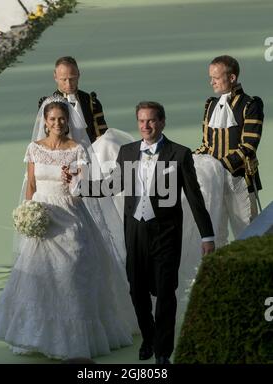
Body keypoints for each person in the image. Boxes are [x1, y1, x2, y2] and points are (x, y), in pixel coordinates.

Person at [63, 101, 215, 364]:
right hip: (135, 232)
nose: (146, 126)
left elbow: (194, 197)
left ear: (162, 122)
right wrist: (79, 186)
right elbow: (112, 185)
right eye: (141, 121)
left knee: (166, 292)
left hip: (166, 233)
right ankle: (149, 337)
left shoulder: (179, 154)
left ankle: (164, 352)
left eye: (151, 120)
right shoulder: (128, 151)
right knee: (138, 291)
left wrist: (207, 235)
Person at [0, 96, 136, 360]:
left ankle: (76, 341)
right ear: (45, 122)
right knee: (38, 276)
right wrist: (28, 212)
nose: (57, 123)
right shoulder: (34, 148)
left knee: (72, 275)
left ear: (68, 121)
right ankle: (36, 335)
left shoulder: (77, 149)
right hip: (42, 218)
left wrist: (73, 180)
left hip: (70, 217)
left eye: (62, 119)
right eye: (52, 119)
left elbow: (82, 188)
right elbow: (32, 185)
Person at [195, 55, 264, 243]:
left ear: (231, 78)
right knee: (215, 234)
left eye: (215, 78)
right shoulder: (211, 105)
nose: (212, 82)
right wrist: (191, 160)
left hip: (240, 179)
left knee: (249, 233)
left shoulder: (250, 105)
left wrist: (218, 166)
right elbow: (207, 145)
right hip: (214, 182)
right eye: (211, 78)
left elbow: (248, 147)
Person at [39, 56, 108, 143]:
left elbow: (101, 133)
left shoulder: (91, 102)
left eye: (72, 79)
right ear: (55, 77)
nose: (68, 84)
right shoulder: (49, 105)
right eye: (63, 79)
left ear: (78, 74)